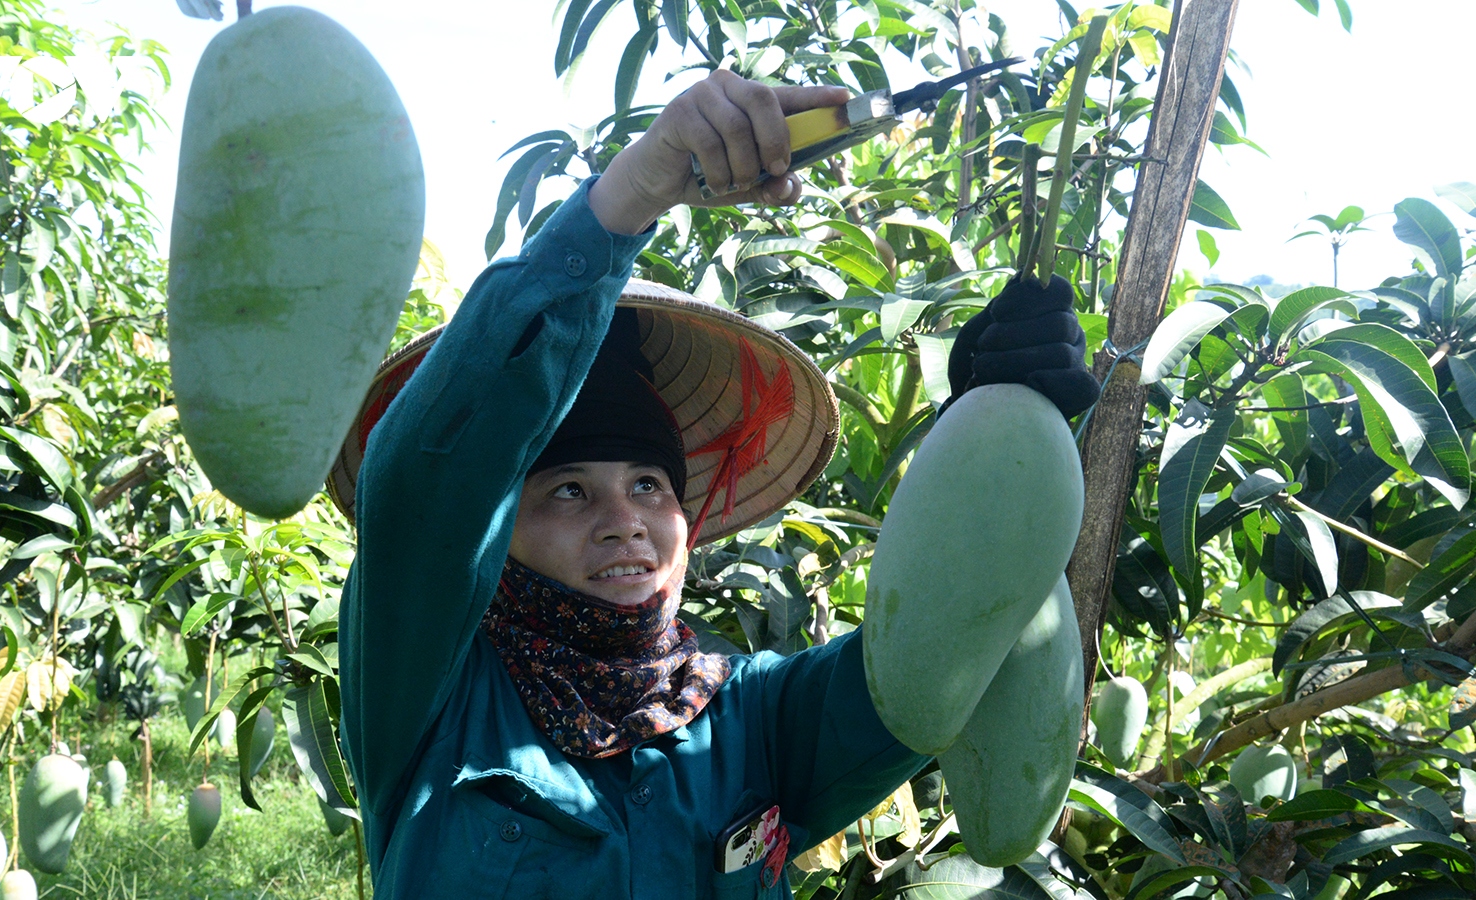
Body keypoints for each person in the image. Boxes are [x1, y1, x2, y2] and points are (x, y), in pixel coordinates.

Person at [329, 70, 1097, 898]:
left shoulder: (747, 716)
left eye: (650, 485)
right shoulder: (431, 688)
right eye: (569, 491)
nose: (625, 522)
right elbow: (423, 480)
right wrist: (640, 183)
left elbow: (947, 639)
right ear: (496, 524)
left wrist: (1001, 420)